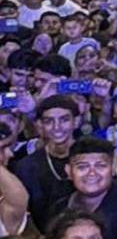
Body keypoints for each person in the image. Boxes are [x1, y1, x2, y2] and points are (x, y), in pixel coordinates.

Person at [11, 95, 77, 229]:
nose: (57, 127)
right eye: (49, 121)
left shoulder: (92, 157)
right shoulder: (26, 166)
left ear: (76, 121)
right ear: (40, 125)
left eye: (64, 120)